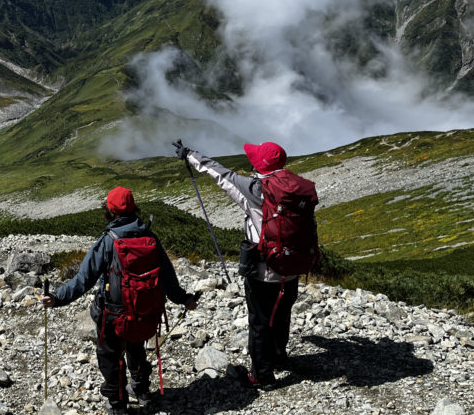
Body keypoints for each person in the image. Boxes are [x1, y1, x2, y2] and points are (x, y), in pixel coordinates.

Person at [40, 186, 198, 414]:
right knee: (137, 345)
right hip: (145, 310)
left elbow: (83, 279)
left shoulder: (107, 241)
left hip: (114, 314)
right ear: (133, 208)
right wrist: (185, 299)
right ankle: (142, 390)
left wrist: (56, 299)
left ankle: (118, 404)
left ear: (110, 211)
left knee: (110, 357)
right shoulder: (150, 238)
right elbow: (168, 278)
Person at [176, 140, 301, 388]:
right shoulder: (296, 187)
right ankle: (278, 356)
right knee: (282, 312)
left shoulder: (256, 188)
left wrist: (190, 155)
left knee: (259, 322)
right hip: (293, 268)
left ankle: (261, 376)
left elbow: (223, 175)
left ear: (262, 164)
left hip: (265, 270)